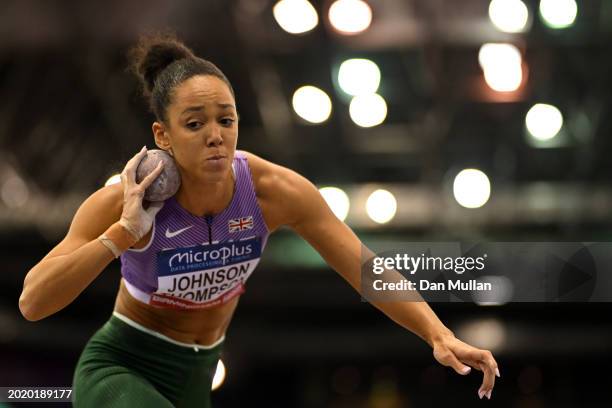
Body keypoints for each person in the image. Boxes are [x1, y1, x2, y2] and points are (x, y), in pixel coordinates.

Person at [18, 33, 500, 407]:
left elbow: (365, 267)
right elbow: (33, 302)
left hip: (198, 373)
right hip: (125, 365)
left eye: (225, 120)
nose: (215, 136)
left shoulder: (273, 192)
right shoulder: (125, 201)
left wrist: (438, 334)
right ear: (162, 135)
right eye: (194, 123)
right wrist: (122, 234)